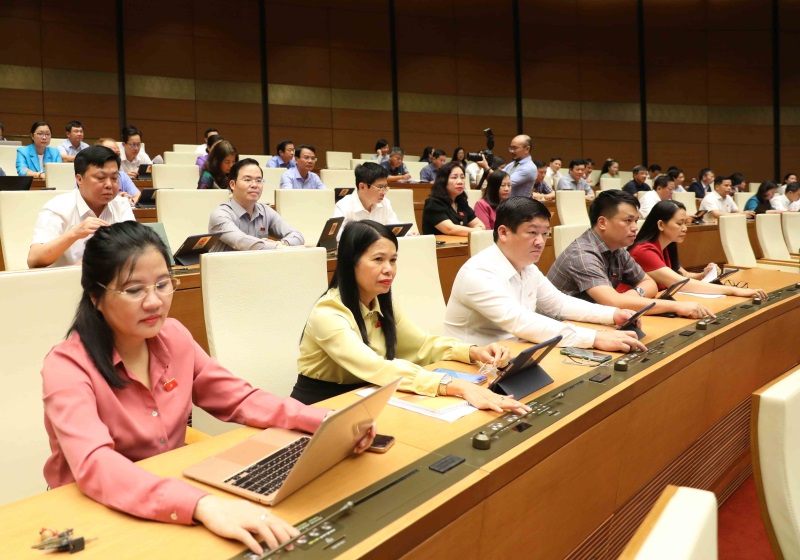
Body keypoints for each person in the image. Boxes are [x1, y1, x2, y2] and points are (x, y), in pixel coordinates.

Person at [41, 221, 367, 556]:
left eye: (163, 284)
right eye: (134, 290)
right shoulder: (67, 366)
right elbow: (96, 464)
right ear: (95, 296)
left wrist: (325, 421)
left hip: (171, 495)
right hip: (92, 513)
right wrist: (203, 505)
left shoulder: (174, 336)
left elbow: (239, 398)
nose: (154, 302)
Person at [292, 219, 529, 415]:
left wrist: (474, 352)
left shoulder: (381, 303)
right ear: (350, 263)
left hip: (366, 396)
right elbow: (375, 367)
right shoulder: (328, 313)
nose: (389, 269)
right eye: (378, 259)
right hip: (320, 406)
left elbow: (422, 345)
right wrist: (458, 386)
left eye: (393, 260)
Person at [445, 197, 647, 352]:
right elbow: (520, 321)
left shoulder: (527, 267)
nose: (540, 242)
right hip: (473, 364)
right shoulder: (479, 272)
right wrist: (595, 338)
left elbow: (558, 303)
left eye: (545, 233)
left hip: (516, 352)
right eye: (532, 232)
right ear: (504, 233)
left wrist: (613, 314)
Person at [546, 190, 714, 319]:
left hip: (591, 321)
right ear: (602, 222)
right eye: (628, 221)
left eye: (635, 220)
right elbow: (612, 302)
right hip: (561, 328)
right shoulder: (582, 254)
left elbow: (649, 283)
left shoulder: (617, 249)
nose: (635, 227)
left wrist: (628, 298)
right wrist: (677, 307)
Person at [628, 199, 768, 300]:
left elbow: (684, 275)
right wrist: (734, 290)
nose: (685, 228)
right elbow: (680, 283)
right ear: (661, 225)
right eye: (679, 223)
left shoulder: (667, 245)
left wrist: (703, 274)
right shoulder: (643, 251)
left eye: (686, 223)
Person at [28, 146, 135, 268]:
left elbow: (136, 248)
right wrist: (75, 233)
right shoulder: (57, 207)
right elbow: (34, 259)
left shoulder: (121, 204)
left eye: (114, 178)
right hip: (68, 278)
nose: (109, 184)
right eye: (101, 178)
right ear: (79, 179)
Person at [209, 158, 304, 251]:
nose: (254, 185)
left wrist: (282, 243)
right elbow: (241, 242)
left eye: (258, 180)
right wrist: (277, 247)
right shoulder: (220, 215)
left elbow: (297, 236)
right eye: (247, 180)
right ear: (232, 185)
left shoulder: (265, 211)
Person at [334, 162, 409, 240]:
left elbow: (394, 227)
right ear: (362, 187)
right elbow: (338, 237)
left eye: (385, 187)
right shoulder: (344, 205)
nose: (384, 192)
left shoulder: (385, 203)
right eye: (380, 187)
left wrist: (407, 233)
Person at [421, 161, 485, 236]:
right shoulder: (433, 203)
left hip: (461, 242)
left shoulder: (461, 202)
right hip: (439, 243)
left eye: (462, 177)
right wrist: (476, 231)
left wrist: (479, 229)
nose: (460, 182)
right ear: (443, 181)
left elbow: (480, 225)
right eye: (454, 177)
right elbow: (450, 229)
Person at [96, 138, 141, 205]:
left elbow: (138, 196)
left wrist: (129, 201)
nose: (115, 157)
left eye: (117, 153)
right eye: (111, 154)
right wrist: (117, 199)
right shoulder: (91, 175)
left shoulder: (122, 175)